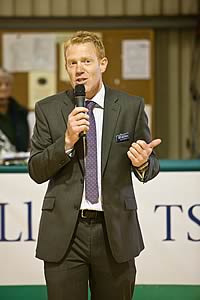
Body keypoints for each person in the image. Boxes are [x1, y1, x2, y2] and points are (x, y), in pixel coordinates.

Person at [28, 31, 161, 300]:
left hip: (115, 234)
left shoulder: (130, 107)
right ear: (66, 67)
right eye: (72, 63)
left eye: (87, 61)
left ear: (103, 64)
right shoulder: (48, 109)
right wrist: (66, 141)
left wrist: (143, 163)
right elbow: (36, 170)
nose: (79, 69)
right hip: (65, 234)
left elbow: (151, 163)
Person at [0, 68, 30, 154]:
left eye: (7, 84)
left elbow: (24, 144)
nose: (4, 88)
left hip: (16, 163)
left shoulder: (21, 112)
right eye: (0, 84)